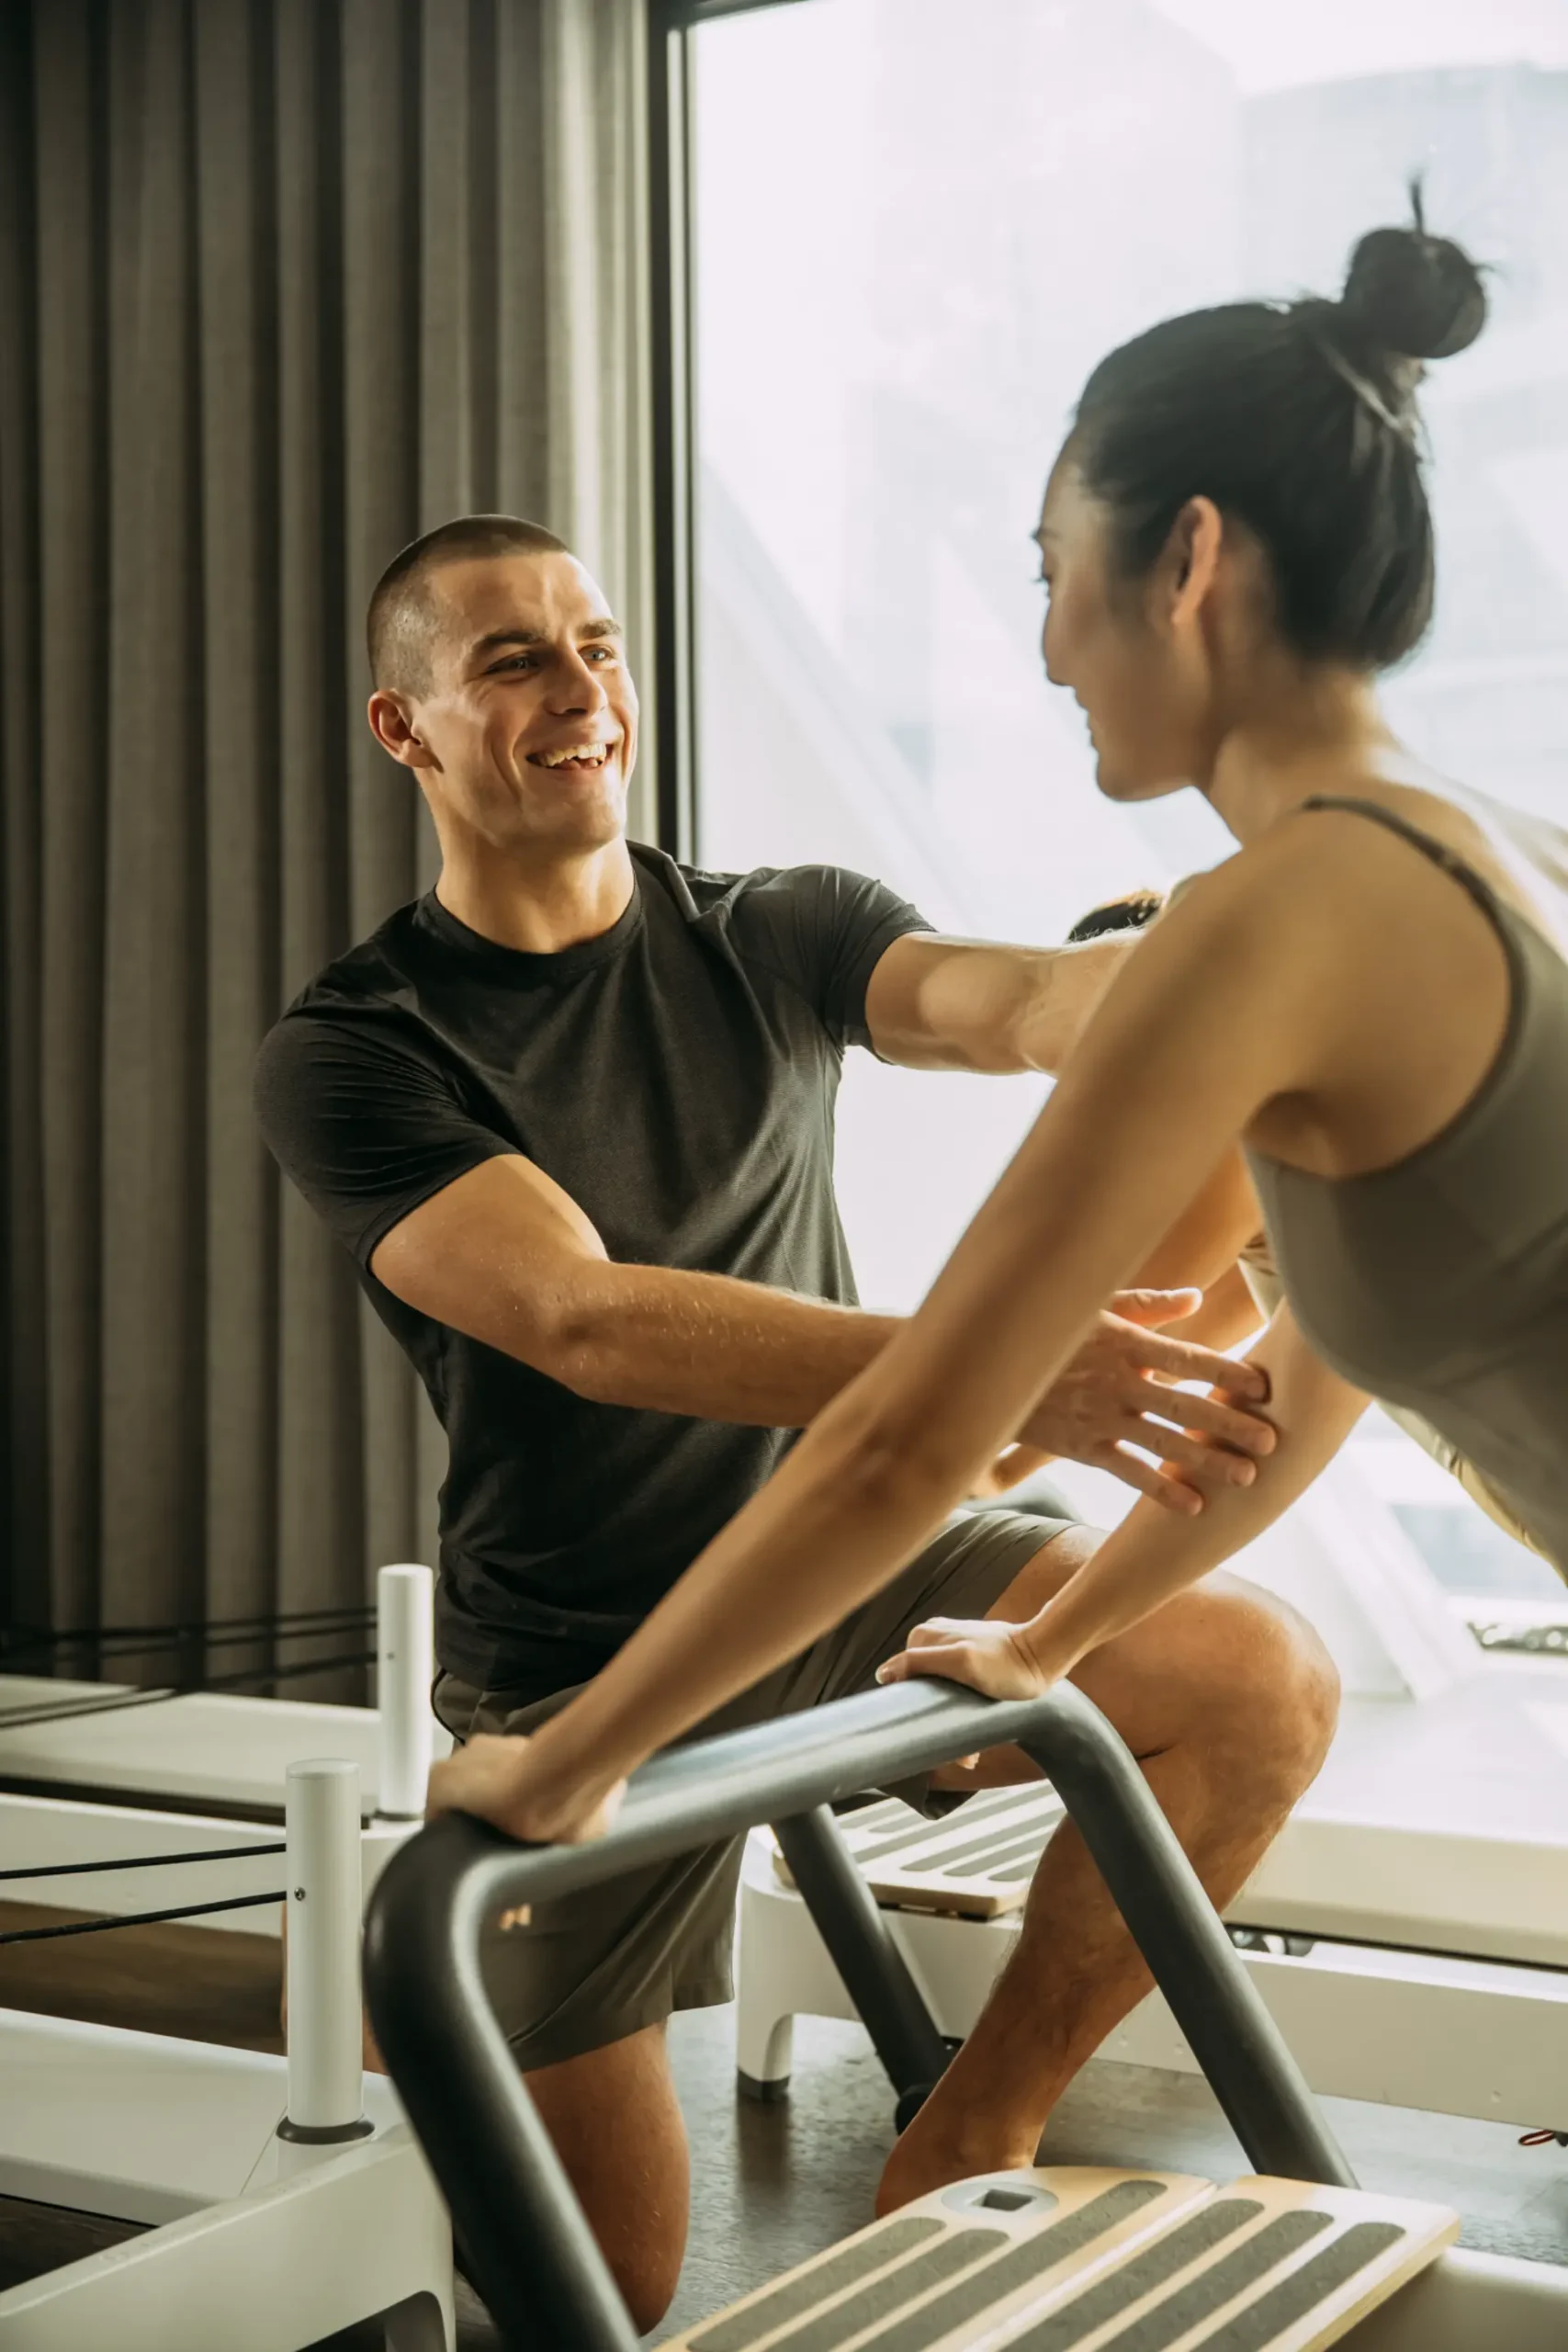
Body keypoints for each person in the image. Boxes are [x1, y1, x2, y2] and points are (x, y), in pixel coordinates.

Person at [429, 194, 1568, 2232]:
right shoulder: (1493, 842)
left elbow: (909, 1434)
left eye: (1051, 574)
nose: (1045, 646)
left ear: (1185, 561)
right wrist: (1053, 1628)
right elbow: (1303, 1380)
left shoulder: (1270, 914)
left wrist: (568, 1762)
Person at [253, 515, 1312, 2324]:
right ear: (401, 726)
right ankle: (421, 1992)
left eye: (597, 645)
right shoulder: (359, 1044)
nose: (580, 688)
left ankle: (971, 2125)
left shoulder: (775, 927)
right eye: (513, 659)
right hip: (590, 1653)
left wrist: (1227, 955)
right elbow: (583, 1320)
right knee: (604, 2285)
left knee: (1254, 1680)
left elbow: (1017, 999)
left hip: (850, 1563)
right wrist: (994, 1367)